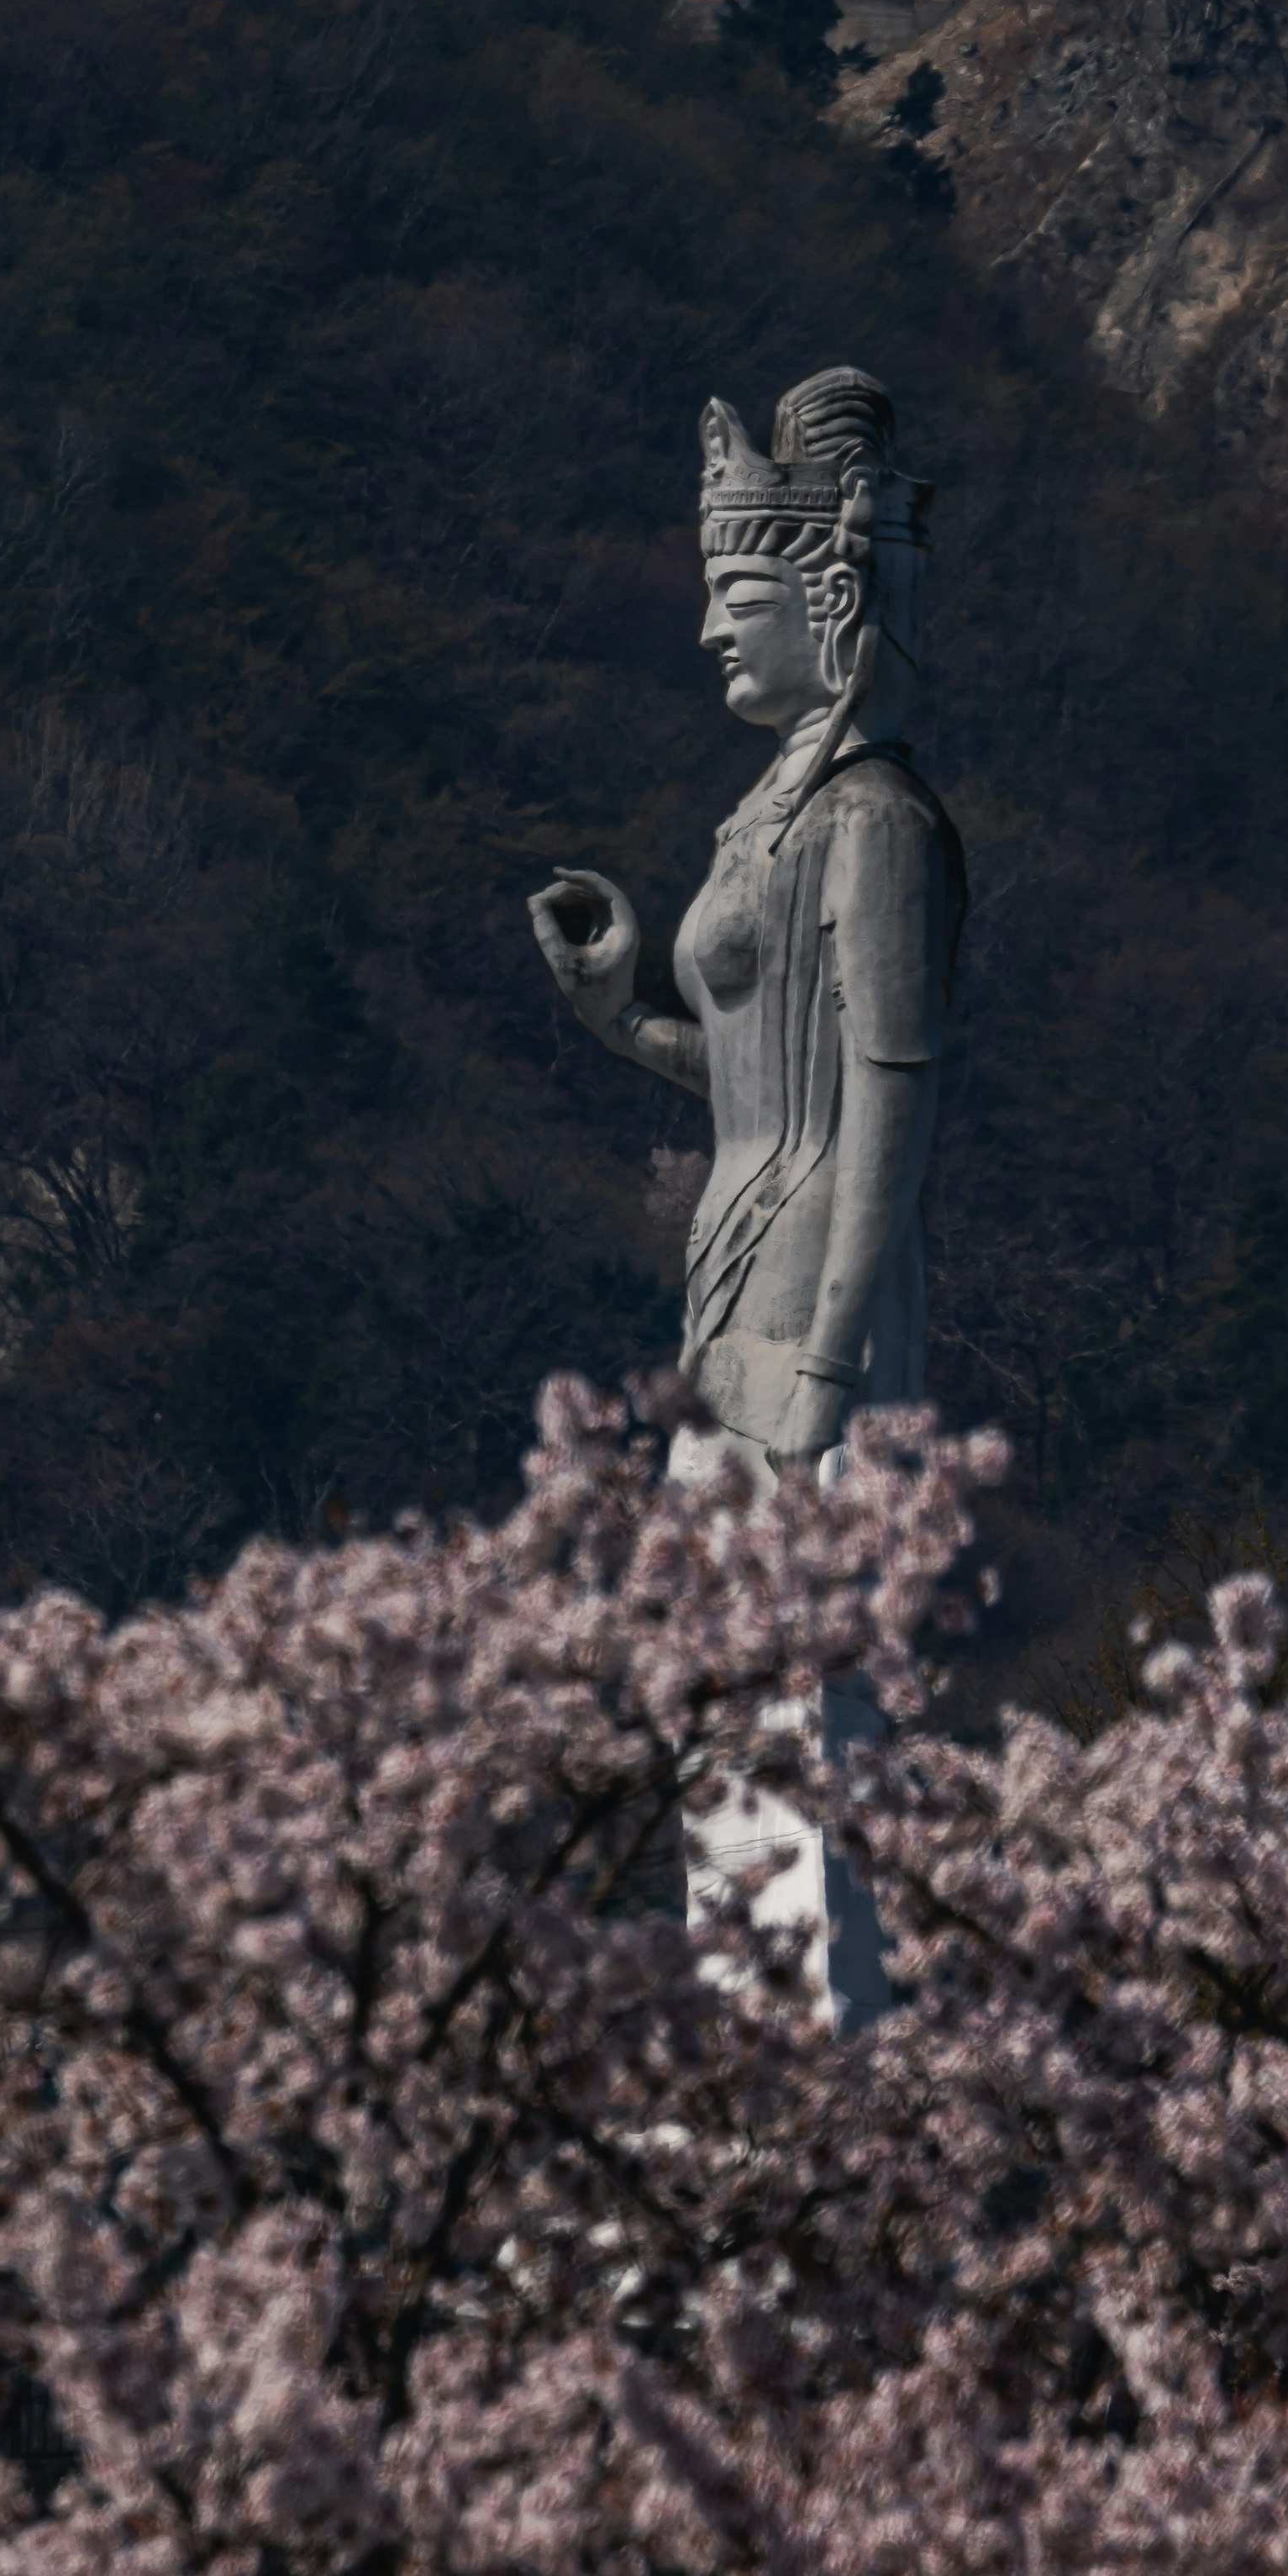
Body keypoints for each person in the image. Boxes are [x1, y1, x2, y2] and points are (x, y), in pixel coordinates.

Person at [528, 366, 966, 2017]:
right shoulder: (773, 816)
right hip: (730, 1264)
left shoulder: (879, 823)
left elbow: (886, 1110)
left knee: (801, 1687)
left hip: (816, 1292)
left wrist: (838, 1361)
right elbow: (758, 1085)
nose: (714, 631)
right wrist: (618, 1017)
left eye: (741, 596)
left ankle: (810, 2049)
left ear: (826, 595)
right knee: (723, 1686)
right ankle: (744, 2025)